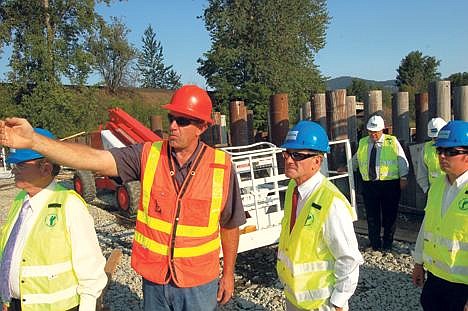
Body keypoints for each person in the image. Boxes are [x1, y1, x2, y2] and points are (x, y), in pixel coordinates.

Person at [0, 85, 245, 311]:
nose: (172, 126)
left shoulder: (220, 167)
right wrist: (35, 141)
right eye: (171, 118)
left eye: (182, 121)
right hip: (156, 282)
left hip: (199, 283)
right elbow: (94, 159)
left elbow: (230, 223)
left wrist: (228, 274)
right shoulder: (148, 155)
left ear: (201, 127)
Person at [0, 128, 107, 311]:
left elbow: (91, 271)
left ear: (46, 168)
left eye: (21, 165)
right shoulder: (20, 201)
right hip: (16, 305)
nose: (14, 170)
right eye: (13, 165)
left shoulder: (69, 205)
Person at [276, 121, 363, 311]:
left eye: (297, 155)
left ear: (317, 161)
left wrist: (338, 301)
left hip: (321, 303)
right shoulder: (293, 188)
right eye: (287, 153)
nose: (289, 160)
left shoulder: (331, 203)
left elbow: (348, 258)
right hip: (294, 296)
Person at [412, 120, 468, 311]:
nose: (442, 156)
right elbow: (427, 225)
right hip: (435, 278)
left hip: (462, 286)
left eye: (451, 152)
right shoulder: (437, 186)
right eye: (439, 151)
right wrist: (418, 262)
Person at [353, 115, 409, 251]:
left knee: (390, 215)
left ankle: (388, 243)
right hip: (369, 184)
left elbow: (402, 160)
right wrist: (348, 167)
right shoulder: (363, 142)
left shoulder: (392, 141)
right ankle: (375, 243)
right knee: (372, 216)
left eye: (375, 132)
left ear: (382, 130)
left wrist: (403, 177)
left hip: (389, 184)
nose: (373, 134)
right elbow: (357, 158)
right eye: (370, 131)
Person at [415, 117, 447, 194]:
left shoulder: (455, 146)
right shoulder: (426, 148)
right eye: (433, 137)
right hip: (434, 191)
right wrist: (426, 189)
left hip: (454, 190)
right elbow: (421, 172)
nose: (435, 139)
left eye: (437, 136)